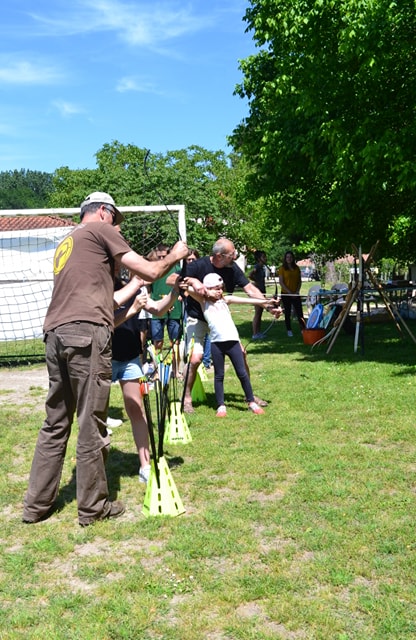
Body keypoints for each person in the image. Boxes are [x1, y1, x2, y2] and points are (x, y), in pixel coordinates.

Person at [22, 192, 188, 527]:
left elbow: (105, 303)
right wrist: (176, 254)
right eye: (116, 219)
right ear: (102, 212)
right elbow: (152, 269)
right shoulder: (100, 230)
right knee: (90, 422)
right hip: (86, 336)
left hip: (55, 335)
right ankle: (93, 508)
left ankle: (36, 506)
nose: (117, 229)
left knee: (55, 423)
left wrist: (134, 294)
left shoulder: (67, 245)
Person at [180, 238, 281, 413]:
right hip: (198, 318)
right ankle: (187, 398)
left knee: (241, 353)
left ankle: (249, 396)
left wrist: (268, 305)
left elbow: (249, 291)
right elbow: (174, 280)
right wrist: (194, 283)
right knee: (196, 358)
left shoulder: (232, 268)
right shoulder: (198, 265)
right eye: (231, 254)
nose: (235, 256)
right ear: (219, 256)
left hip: (219, 320)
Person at [112, 273, 182, 484]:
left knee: (138, 408)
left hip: (131, 359)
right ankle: (96, 464)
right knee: (96, 414)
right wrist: (132, 309)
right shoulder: (99, 286)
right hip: (102, 356)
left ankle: (145, 464)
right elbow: (103, 321)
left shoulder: (135, 288)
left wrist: (175, 291)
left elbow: (158, 308)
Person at [149, 244, 182, 377]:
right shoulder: (153, 271)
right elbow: (148, 289)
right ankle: (157, 370)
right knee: (158, 342)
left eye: (164, 256)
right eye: (159, 256)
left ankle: (176, 370)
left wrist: (177, 297)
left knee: (175, 342)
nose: (162, 258)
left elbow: (182, 289)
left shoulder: (177, 269)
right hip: (156, 311)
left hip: (175, 310)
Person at [278, 250, 306, 337]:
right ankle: (289, 330)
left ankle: (303, 329)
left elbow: (299, 281)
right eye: (287, 257)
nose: (289, 259)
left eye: (290, 257)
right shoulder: (282, 269)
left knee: (299, 312)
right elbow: (281, 282)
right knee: (287, 312)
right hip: (286, 294)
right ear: (285, 259)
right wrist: (289, 292)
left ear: (293, 258)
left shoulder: (297, 268)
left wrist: (297, 291)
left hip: (296, 293)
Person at [249, 250, 268, 339]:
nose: (265, 258)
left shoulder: (262, 267)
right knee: (257, 313)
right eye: (263, 257)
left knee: (260, 312)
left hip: (262, 291)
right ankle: (255, 334)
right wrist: (255, 282)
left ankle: (258, 332)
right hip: (258, 292)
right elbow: (250, 274)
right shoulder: (257, 267)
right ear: (259, 258)